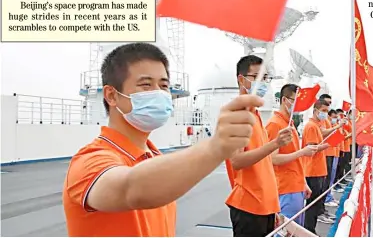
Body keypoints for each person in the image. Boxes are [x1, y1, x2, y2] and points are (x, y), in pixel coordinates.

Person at [63, 43, 262, 237]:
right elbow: (130, 189)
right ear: (112, 95)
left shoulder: (154, 156)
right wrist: (214, 148)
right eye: (146, 85)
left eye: (164, 85)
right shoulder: (89, 161)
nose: (158, 92)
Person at [225, 55, 293, 237]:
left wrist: (273, 208)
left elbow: (264, 166)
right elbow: (236, 160)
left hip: (264, 207)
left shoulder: (254, 115)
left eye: (265, 78)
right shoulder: (237, 114)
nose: (263, 83)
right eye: (257, 77)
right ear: (242, 79)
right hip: (249, 206)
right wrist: (275, 144)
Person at [266, 84, 317, 226]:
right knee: (286, 230)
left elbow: (292, 155)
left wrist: (303, 183)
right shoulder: (275, 124)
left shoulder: (289, 124)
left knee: (295, 230)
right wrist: (302, 152)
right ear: (284, 100)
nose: (297, 105)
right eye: (294, 101)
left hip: (296, 186)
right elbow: (272, 158)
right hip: (285, 188)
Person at [302, 100, 331, 234]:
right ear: (315, 110)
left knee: (314, 204)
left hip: (318, 170)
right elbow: (312, 148)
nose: (325, 114)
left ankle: (310, 229)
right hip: (312, 170)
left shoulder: (316, 125)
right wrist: (326, 146)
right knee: (312, 205)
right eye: (323, 111)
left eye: (326, 111)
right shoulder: (311, 126)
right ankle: (309, 230)